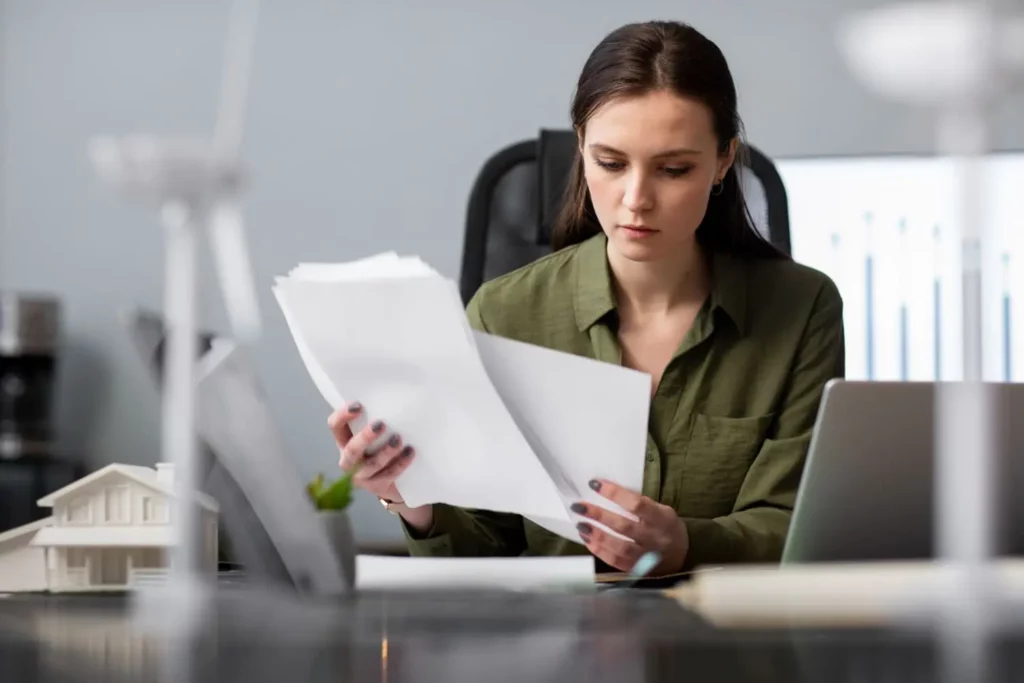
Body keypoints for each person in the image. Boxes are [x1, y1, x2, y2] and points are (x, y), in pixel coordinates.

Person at [327, 20, 845, 575]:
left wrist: (686, 544)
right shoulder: (503, 313)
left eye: (674, 169)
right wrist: (412, 497)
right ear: (581, 148)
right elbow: (484, 544)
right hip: (556, 646)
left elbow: (796, 521)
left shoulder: (802, 308)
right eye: (610, 163)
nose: (636, 199)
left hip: (733, 644)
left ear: (723, 161)